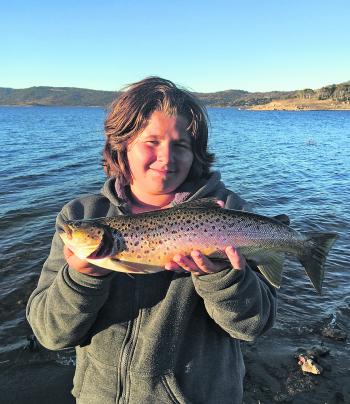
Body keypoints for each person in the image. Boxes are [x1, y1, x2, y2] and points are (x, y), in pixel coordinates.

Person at [26, 77, 277, 404]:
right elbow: (50, 335)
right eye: (151, 141)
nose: (166, 157)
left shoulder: (228, 213)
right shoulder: (80, 213)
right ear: (123, 144)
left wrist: (222, 278)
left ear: (195, 153)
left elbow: (254, 326)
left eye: (180, 145)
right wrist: (81, 279)